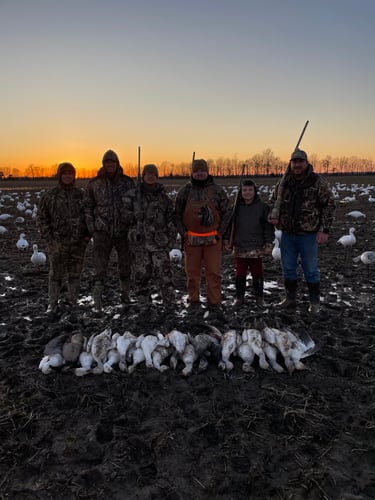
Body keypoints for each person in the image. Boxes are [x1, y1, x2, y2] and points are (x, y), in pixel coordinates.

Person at [269, 148, 336, 313]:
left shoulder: (317, 182)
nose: (297, 164)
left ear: (306, 163)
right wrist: (273, 214)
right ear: (290, 163)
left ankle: (314, 303)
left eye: (300, 161)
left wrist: (324, 230)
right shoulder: (284, 182)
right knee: (288, 268)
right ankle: (290, 299)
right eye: (294, 161)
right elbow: (273, 200)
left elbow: (329, 205)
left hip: (308, 234)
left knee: (311, 270)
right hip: (288, 234)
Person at [175, 158, 231, 314]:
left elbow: (228, 212)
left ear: (207, 171)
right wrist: (183, 234)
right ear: (192, 172)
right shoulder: (184, 191)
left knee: (213, 273)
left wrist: (220, 233)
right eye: (197, 170)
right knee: (192, 274)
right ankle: (193, 301)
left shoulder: (218, 191)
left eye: (202, 170)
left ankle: (214, 302)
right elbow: (176, 215)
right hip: (191, 241)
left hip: (213, 241)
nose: (200, 173)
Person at [84, 149, 134, 312]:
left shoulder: (128, 182)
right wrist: (93, 227)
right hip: (102, 233)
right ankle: (97, 299)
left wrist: (131, 224)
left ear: (117, 164)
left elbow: (135, 205)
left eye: (113, 162)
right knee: (99, 267)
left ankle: (125, 294)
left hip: (123, 232)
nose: (110, 165)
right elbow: (87, 207)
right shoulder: (94, 183)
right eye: (107, 162)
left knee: (125, 265)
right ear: (104, 164)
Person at [37, 162, 90, 314]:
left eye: (70, 173)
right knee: (55, 275)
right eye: (64, 173)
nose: (67, 176)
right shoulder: (49, 196)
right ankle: (52, 304)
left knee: (75, 274)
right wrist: (50, 239)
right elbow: (41, 219)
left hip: (77, 244)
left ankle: (73, 301)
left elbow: (88, 218)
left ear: (74, 176)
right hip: (58, 243)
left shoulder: (81, 195)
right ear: (59, 175)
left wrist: (85, 239)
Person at [122, 164, 177, 309]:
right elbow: (123, 216)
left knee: (164, 275)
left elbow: (171, 220)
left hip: (159, 243)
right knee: (141, 275)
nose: (151, 176)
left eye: (153, 174)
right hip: (139, 243)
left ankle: (169, 304)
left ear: (157, 177)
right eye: (148, 174)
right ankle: (144, 304)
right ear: (143, 176)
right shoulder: (132, 195)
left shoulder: (164, 198)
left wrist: (170, 241)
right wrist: (135, 215)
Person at [224, 179, 274, 308]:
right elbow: (229, 226)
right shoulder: (235, 208)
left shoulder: (263, 208)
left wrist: (268, 242)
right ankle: (239, 298)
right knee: (240, 273)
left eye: (250, 190)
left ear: (254, 191)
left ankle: (259, 298)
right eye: (244, 190)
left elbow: (268, 227)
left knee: (257, 273)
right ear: (240, 192)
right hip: (240, 246)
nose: (247, 192)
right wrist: (227, 240)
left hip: (256, 246)